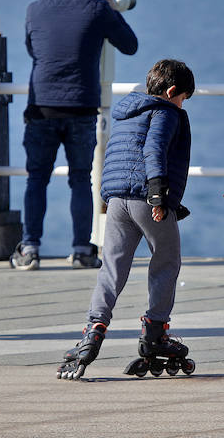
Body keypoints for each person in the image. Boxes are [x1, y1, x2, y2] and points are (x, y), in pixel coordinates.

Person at [57, 60, 195, 380]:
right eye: (183, 98)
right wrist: (160, 194)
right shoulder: (164, 112)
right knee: (166, 261)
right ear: (171, 92)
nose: (182, 104)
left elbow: (119, 156)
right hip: (149, 199)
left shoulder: (126, 112)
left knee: (112, 269)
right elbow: (154, 149)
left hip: (116, 200)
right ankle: (155, 332)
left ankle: (93, 330)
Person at [11, 0, 138, 271]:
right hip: (82, 107)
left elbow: (33, 49)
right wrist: (107, 7)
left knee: (36, 179)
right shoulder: (96, 9)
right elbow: (129, 44)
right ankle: (82, 250)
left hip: (42, 106)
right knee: (81, 179)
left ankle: (30, 249)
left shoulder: (34, 8)